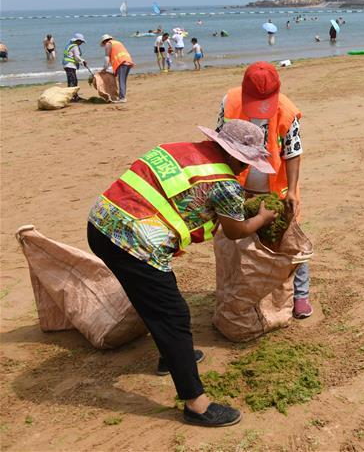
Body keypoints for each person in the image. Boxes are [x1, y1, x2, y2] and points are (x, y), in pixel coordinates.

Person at [87, 120, 277, 427]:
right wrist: (264, 216)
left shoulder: (175, 150)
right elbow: (235, 229)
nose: (245, 168)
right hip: (133, 242)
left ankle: (170, 357)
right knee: (173, 314)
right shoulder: (225, 183)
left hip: (100, 223)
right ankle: (196, 405)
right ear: (239, 157)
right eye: (246, 161)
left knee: (151, 300)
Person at [216, 62, 312, 319]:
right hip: (241, 184)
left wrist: (291, 191)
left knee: (288, 242)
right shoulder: (230, 101)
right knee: (242, 242)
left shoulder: (286, 110)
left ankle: (301, 295)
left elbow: (293, 153)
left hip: (276, 189)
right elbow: (220, 142)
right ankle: (248, 291)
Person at [100, 34, 134, 103]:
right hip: (128, 61)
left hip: (122, 62)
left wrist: (105, 68)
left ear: (104, 41)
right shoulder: (117, 42)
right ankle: (122, 96)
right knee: (123, 80)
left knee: (121, 80)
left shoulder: (108, 44)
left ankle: (122, 98)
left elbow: (107, 57)